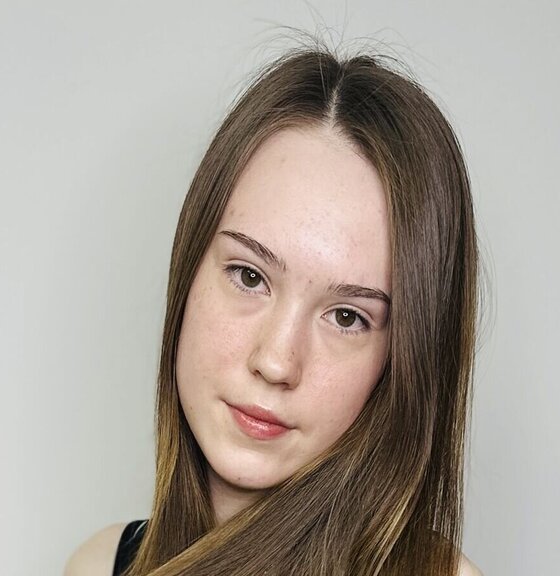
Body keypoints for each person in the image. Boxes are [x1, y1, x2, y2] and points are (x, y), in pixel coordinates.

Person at [67, 43, 484, 576]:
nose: (276, 362)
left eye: (347, 317)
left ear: (401, 360)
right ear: (189, 269)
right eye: (250, 277)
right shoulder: (100, 564)